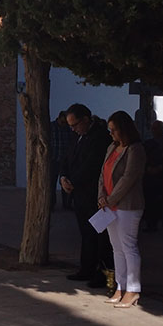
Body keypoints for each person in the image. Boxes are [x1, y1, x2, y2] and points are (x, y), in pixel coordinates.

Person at [60, 103, 113, 288]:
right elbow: (67, 158)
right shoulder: (77, 137)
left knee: (100, 235)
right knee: (86, 233)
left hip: (93, 194)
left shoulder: (100, 137)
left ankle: (103, 272)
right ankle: (86, 268)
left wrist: (73, 180)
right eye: (70, 126)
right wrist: (64, 177)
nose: (73, 129)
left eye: (75, 125)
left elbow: (92, 165)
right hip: (79, 194)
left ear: (85, 120)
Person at [98, 111, 146, 308]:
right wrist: (102, 197)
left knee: (128, 246)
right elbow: (103, 173)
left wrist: (111, 199)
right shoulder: (112, 147)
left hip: (127, 206)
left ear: (123, 129)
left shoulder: (135, 150)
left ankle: (133, 289)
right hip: (110, 206)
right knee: (116, 248)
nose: (111, 134)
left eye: (114, 130)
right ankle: (120, 286)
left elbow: (128, 178)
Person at [50, 110, 77, 210]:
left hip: (65, 160)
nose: (64, 124)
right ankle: (51, 204)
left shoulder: (68, 128)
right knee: (51, 184)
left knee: (65, 182)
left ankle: (66, 204)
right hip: (54, 159)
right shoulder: (51, 127)